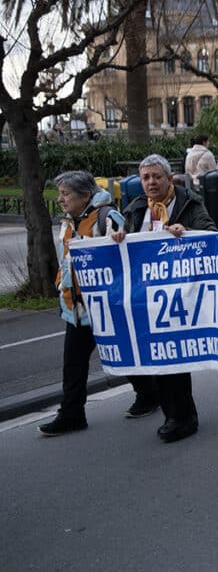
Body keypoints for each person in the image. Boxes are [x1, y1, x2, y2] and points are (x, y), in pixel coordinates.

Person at [37, 171, 159, 435]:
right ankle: (72, 414)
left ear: (85, 195)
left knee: (121, 355)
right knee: (73, 364)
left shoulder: (107, 217)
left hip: (105, 307)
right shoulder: (68, 221)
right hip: (77, 309)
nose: (60, 199)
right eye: (60, 193)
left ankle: (148, 395)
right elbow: (65, 259)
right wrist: (61, 284)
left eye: (66, 193)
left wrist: (119, 237)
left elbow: (121, 257)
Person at [111, 154, 218, 443]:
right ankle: (173, 414)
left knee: (174, 358)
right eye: (145, 177)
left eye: (156, 176)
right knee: (156, 357)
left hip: (179, 297)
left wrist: (187, 232)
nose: (150, 182)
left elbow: (212, 235)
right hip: (147, 297)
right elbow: (126, 242)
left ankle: (182, 417)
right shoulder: (135, 210)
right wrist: (120, 237)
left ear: (169, 179)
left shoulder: (189, 204)